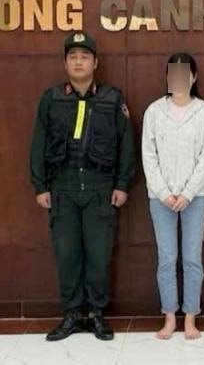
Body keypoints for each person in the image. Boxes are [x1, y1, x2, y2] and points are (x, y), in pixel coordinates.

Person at [29, 31, 136, 341]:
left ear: (95, 63)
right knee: (67, 254)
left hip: (100, 189)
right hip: (62, 190)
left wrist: (122, 184)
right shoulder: (51, 99)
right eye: (73, 57)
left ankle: (96, 314)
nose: (79, 62)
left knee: (99, 254)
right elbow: (38, 144)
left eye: (85, 57)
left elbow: (126, 145)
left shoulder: (112, 99)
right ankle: (73, 314)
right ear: (65, 64)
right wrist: (40, 185)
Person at [141, 53, 204, 340]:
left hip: (196, 196)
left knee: (192, 258)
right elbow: (149, 156)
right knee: (167, 258)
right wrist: (163, 192)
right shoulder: (154, 111)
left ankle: (191, 318)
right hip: (160, 198)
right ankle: (170, 317)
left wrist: (187, 193)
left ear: (194, 78)